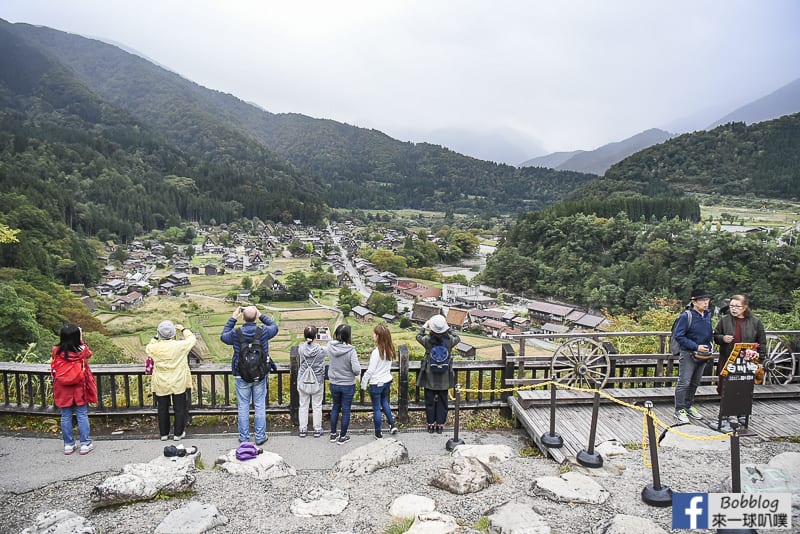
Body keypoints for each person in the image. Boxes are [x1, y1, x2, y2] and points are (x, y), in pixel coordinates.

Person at [221, 305, 278, 445]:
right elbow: (274, 327)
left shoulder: (236, 333)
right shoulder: (263, 331)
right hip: (260, 372)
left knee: (243, 406)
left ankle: (244, 437)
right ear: (255, 317)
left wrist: (233, 318)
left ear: (243, 317)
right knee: (259, 405)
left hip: (241, 373)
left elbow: (223, 336)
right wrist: (261, 315)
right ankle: (260, 437)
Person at [713, 294, 767, 429]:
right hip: (728, 358)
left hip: (747, 361)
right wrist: (722, 338)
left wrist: (760, 359)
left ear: (745, 307)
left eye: (737, 306)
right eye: (731, 306)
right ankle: (726, 414)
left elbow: (762, 342)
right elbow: (715, 336)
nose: (734, 309)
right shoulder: (724, 320)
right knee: (725, 385)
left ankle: (741, 414)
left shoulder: (755, 322)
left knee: (744, 386)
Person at [145, 320, 196, 441]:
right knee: (179, 408)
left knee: (162, 408)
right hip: (178, 380)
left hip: (161, 381)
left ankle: (164, 433)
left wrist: (156, 336)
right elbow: (192, 339)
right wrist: (183, 329)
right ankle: (178, 433)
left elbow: (149, 346)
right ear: (173, 334)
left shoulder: (153, 348)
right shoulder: (180, 346)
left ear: (159, 334)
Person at [51, 324, 97, 455]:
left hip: (62, 387)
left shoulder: (56, 350)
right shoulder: (81, 350)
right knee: (82, 414)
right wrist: (81, 338)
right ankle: (85, 444)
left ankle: (68, 445)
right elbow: (88, 354)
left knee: (65, 416)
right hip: (79, 387)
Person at [673, 289, 714, 424]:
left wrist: (710, 344)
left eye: (707, 300)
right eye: (702, 300)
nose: (705, 303)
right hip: (688, 353)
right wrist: (696, 346)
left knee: (695, 382)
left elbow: (709, 334)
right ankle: (679, 409)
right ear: (694, 302)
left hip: (703, 354)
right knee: (684, 382)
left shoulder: (707, 315)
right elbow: (679, 335)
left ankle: (688, 406)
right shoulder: (686, 316)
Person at [416, 314, 460, 434]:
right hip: (445, 375)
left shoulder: (427, 341)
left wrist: (425, 326)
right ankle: (440, 425)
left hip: (429, 374)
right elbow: (458, 338)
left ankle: (430, 424)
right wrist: (449, 328)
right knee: (443, 400)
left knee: (429, 400)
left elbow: (418, 336)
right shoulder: (449, 341)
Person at [323, 324, 360, 445]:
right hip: (348, 384)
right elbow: (356, 370)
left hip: (334, 382)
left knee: (335, 407)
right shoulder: (351, 350)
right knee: (346, 410)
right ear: (348, 336)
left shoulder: (330, 347)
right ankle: (342, 437)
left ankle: (333, 434)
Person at [362, 324, 399, 439]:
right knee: (385, 403)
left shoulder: (376, 352)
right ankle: (392, 424)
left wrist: (364, 382)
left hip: (376, 383)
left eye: (375, 334)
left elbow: (371, 370)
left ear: (378, 336)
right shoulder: (390, 349)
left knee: (377, 408)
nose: (373, 335)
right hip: (386, 381)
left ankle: (378, 433)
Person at [297, 325, 326, 438]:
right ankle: (317, 429)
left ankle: (303, 429)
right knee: (317, 405)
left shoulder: (301, 349)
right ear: (315, 336)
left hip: (303, 379)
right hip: (317, 380)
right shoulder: (320, 350)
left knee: (303, 404)